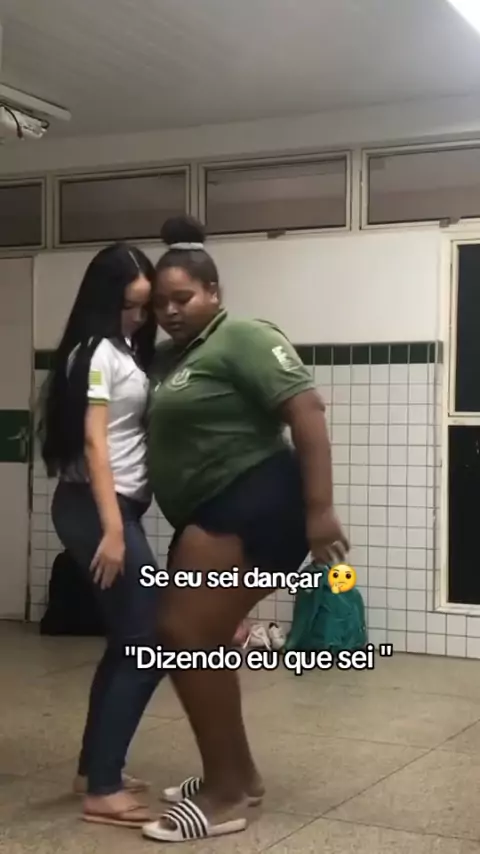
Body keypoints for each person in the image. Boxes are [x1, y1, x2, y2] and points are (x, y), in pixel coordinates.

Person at [142, 216, 348, 843]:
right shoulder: (173, 357)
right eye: (160, 303)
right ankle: (237, 774)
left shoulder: (244, 336)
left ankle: (227, 791)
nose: (170, 311)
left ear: (214, 292)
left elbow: (306, 410)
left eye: (183, 298)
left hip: (257, 499)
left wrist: (320, 510)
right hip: (211, 509)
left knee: (184, 634)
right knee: (196, 638)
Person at [38, 243, 164, 828]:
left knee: (129, 640)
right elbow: (94, 442)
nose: (138, 317)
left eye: (143, 307)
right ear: (103, 300)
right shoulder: (95, 353)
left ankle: (96, 770)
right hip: (97, 511)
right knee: (149, 639)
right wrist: (113, 528)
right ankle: (103, 789)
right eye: (129, 306)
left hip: (111, 510)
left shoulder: (121, 351)